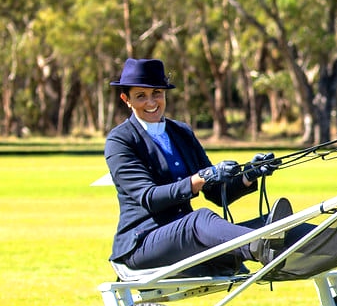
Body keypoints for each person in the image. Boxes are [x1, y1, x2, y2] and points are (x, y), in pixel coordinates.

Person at [104, 57, 291, 275]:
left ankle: (313, 239)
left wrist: (249, 175)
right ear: (126, 99)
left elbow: (216, 192)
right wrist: (200, 178)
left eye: (157, 93)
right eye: (140, 96)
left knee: (269, 224)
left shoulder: (181, 133)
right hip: (142, 243)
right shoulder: (120, 140)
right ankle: (259, 245)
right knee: (201, 220)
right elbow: (149, 198)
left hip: (185, 238)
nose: (151, 102)